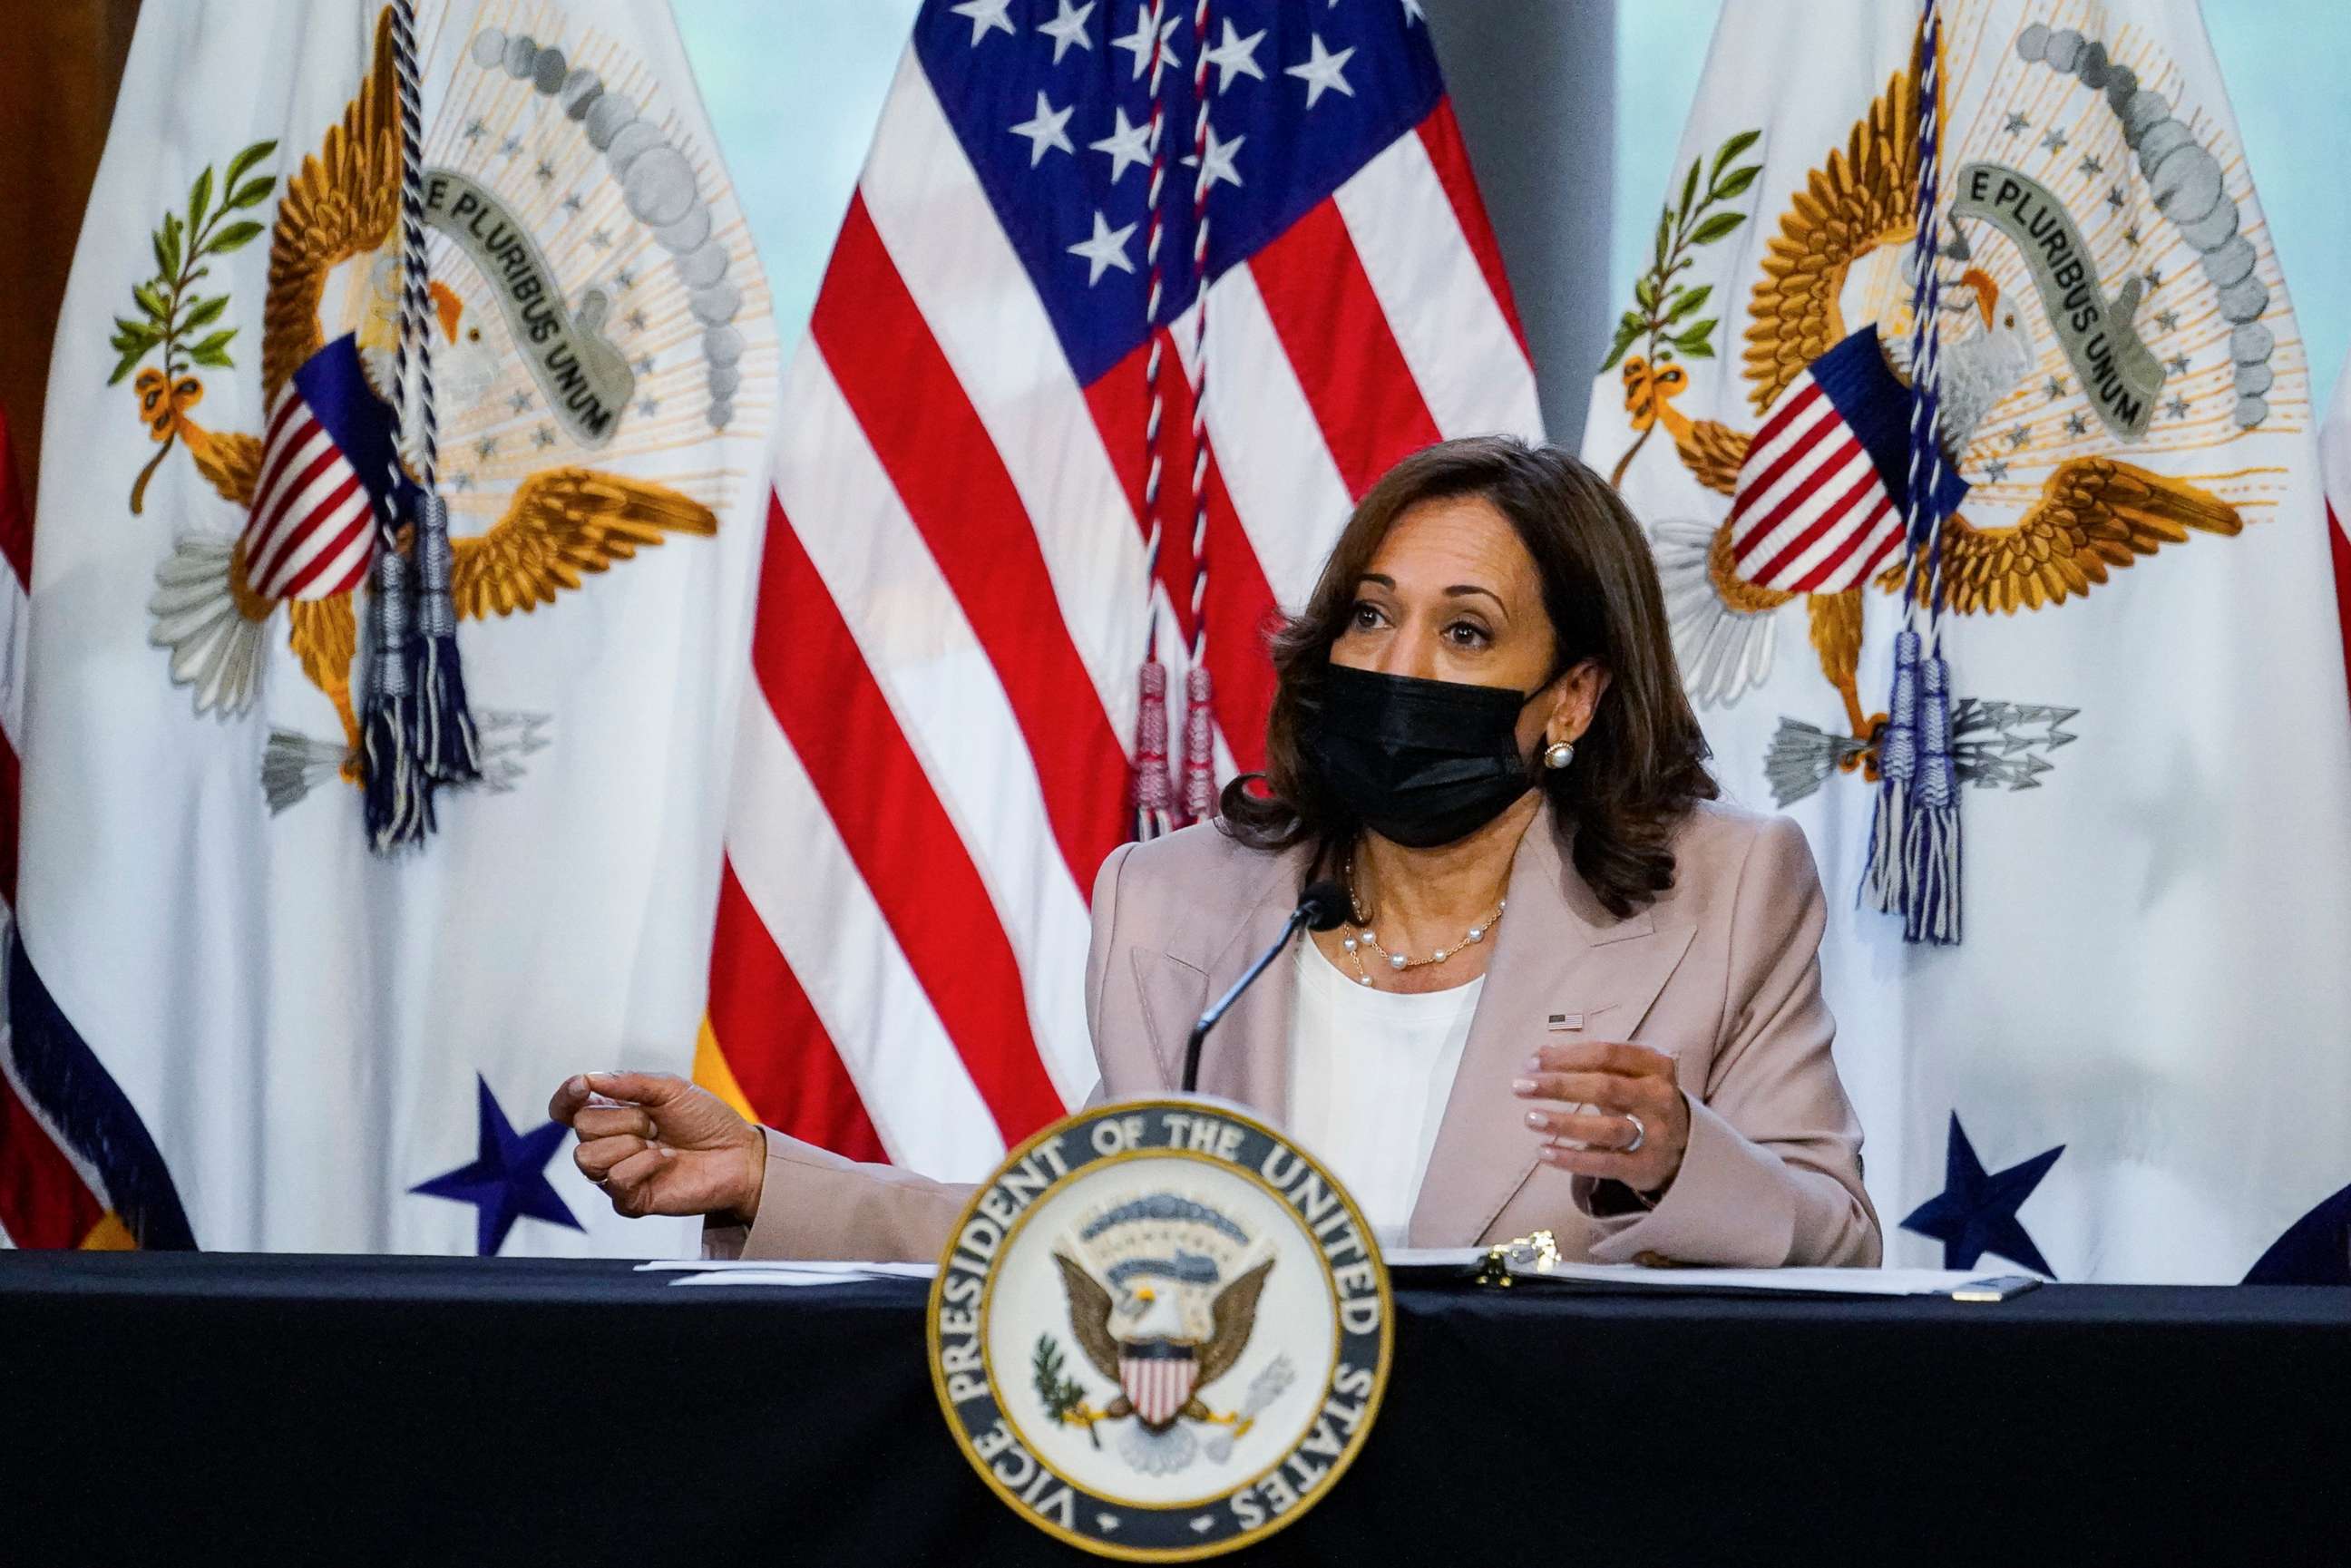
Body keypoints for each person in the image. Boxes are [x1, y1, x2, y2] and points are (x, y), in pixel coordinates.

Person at [552, 436, 1881, 1268]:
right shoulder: (1182, 906)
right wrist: (768, 1175)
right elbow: (1087, 1227)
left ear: (1573, 700)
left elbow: (1839, 1235)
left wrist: (1675, 1154)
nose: (1397, 666)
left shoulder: (1725, 891)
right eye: (1371, 616)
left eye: (1466, 635)